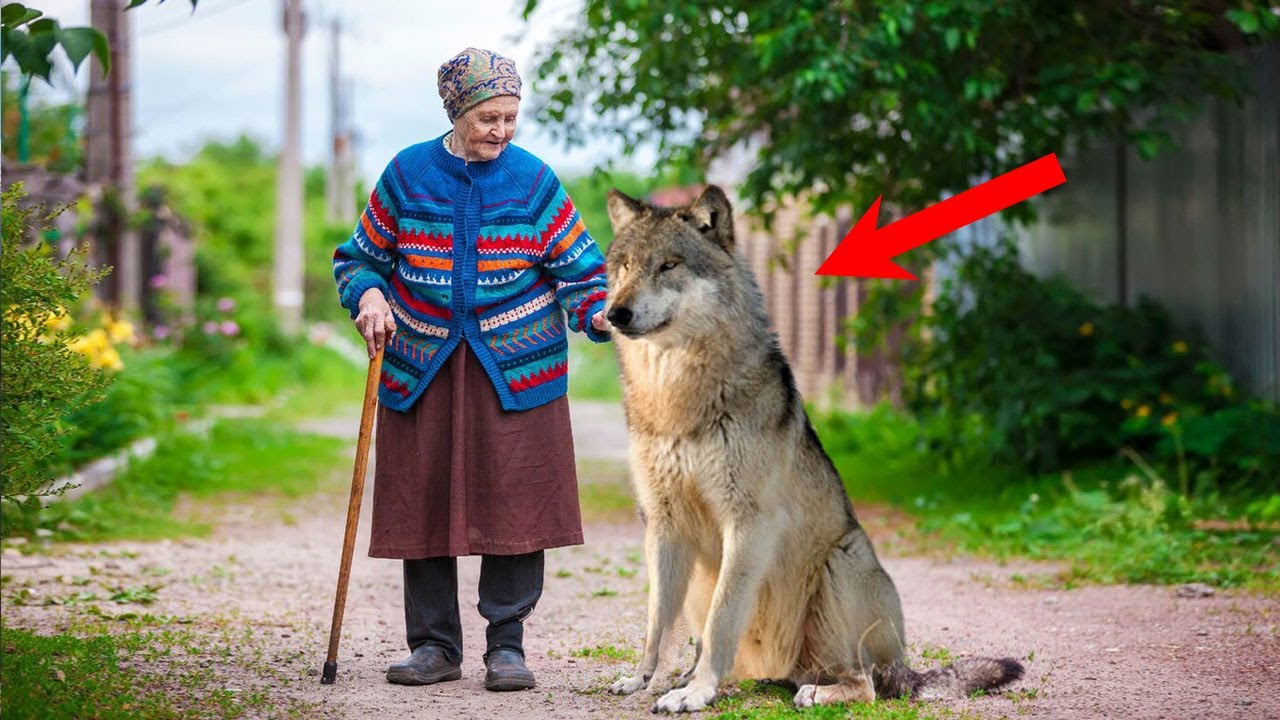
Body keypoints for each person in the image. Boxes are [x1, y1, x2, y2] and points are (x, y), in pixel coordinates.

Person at [332, 47, 610, 692]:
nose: (502, 131)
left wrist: (597, 313)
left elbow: (583, 271)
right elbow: (359, 259)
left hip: (517, 366)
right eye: (489, 118)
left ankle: (506, 647)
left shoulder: (534, 180)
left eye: (511, 118)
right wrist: (369, 296)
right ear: (457, 112)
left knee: (515, 500)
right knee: (421, 499)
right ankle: (432, 646)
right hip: (421, 360)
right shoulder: (407, 174)